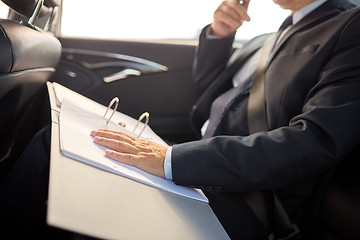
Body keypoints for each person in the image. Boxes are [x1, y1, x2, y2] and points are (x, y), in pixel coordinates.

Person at [1, 0, 360, 239]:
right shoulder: (273, 34)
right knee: (64, 137)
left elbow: (317, 140)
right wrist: (220, 35)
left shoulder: (348, 25)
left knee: (53, 148)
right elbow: (210, 99)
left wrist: (171, 160)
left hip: (250, 196)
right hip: (200, 157)